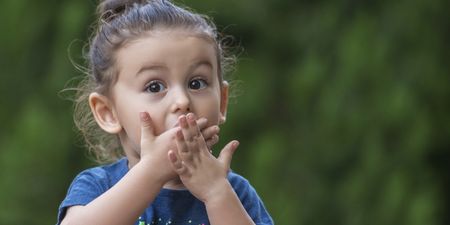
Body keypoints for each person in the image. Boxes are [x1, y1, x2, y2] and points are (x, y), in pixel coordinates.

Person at [57, 0, 274, 224]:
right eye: (155, 87)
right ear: (108, 112)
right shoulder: (99, 186)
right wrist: (152, 172)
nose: (182, 100)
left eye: (197, 83)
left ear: (222, 102)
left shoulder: (234, 192)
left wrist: (216, 193)